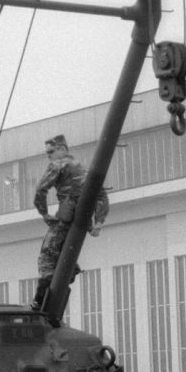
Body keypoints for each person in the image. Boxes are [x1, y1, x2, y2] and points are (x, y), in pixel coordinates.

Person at [30, 134, 108, 312]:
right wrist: (98, 222)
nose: (48, 156)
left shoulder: (58, 165)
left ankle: (38, 304)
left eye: (51, 151)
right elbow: (102, 195)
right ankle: (69, 272)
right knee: (63, 257)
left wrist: (44, 214)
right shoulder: (85, 170)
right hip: (82, 223)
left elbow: (40, 190)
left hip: (65, 219)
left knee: (46, 259)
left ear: (63, 149)